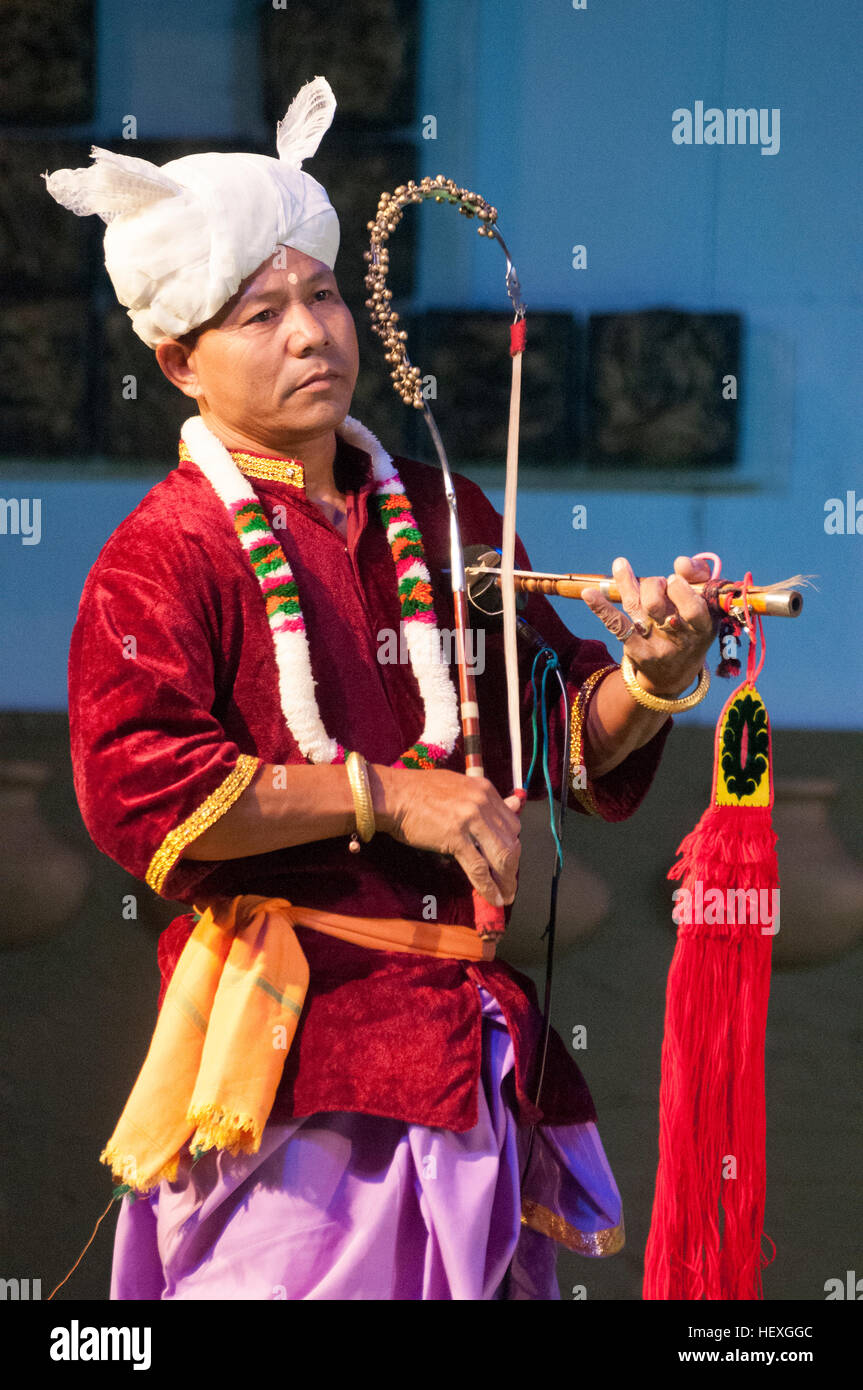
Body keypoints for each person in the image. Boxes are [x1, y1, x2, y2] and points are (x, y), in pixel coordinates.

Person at [45, 78, 716, 1300]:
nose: (311, 332)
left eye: (322, 294)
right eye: (261, 313)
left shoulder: (444, 512)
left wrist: (651, 673)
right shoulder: (166, 554)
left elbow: (557, 736)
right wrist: (385, 796)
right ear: (176, 358)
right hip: (293, 1080)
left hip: (468, 1064)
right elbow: (140, 791)